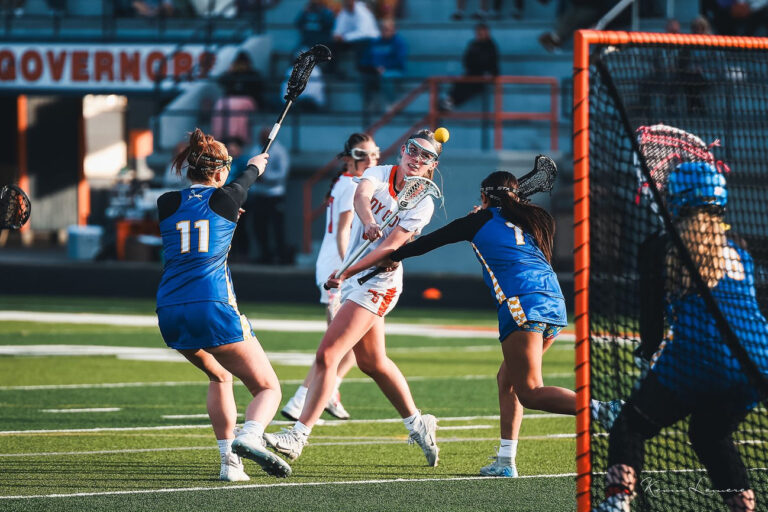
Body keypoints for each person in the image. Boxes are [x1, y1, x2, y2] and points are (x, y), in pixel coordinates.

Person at [373, 167, 621, 476]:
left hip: (521, 303)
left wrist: (392, 256)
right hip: (554, 302)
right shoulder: (533, 221)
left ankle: (603, 410)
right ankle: (505, 462)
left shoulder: (478, 221)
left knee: (529, 391)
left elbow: (429, 242)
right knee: (508, 381)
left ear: (484, 196)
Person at [263, 129, 444, 467]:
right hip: (357, 278)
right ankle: (418, 423)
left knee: (327, 354)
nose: (417, 159)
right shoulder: (379, 172)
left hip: (379, 282)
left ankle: (297, 436)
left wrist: (346, 272)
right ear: (403, 151)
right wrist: (370, 221)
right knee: (372, 363)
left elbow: (391, 248)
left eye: (426, 156)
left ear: (433, 165)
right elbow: (362, 196)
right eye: (413, 151)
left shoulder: (424, 202)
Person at [595, 162, 768, 512]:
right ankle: (745, 508)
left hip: (695, 357)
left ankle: (617, 502)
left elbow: (652, 322)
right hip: (757, 361)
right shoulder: (739, 248)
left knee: (629, 426)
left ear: (676, 200)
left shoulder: (661, 246)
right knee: (709, 435)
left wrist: (650, 351)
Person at [155, 128, 292, 481]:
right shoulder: (228, 198)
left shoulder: (166, 202)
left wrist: (233, 195)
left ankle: (229, 464)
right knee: (267, 388)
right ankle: (248, 437)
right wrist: (256, 165)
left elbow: (201, 213)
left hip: (169, 308)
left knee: (219, 374)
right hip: (212, 304)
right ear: (219, 172)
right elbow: (247, 178)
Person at [281, 133, 381, 421]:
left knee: (347, 342)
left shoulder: (347, 183)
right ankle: (302, 399)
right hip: (339, 270)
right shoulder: (353, 186)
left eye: (374, 154)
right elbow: (343, 232)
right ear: (349, 158)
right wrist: (346, 268)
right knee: (338, 344)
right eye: (364, 155)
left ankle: (328, 393)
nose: (371, 160)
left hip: (337, 267)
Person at [247, 128, 291, 264]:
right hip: (259, 194)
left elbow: (282, 173)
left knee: (277, 226)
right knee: (259, 226)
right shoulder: (255, 149)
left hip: (274, 194)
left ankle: (280, 255)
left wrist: (265, 178)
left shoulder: (279, 151)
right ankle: (264, 254)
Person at [440, 23, 499, 112]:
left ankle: (449, 103)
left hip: (482, 76)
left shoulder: (491, 46)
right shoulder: (473, 44)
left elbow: (492, 64)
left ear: (487, 32)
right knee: (458, 84)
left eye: (481, 32)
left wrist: (490, 74)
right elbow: (466, 59)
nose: (479, 34)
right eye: (478, 32)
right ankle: (448, 102)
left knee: (468, 87)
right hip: (471, 73)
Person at [359, 18, 407, 113]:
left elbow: (399, 61)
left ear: (393, 30)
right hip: (375, 69)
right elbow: (366, 58)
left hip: (394, 70)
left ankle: (393, 103)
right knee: (364, 77)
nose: (384, 31)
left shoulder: (399, 43)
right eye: (383, 29)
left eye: (387, 29)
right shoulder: (375, 42)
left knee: (386, 76)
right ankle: (370, 103)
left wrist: (384, 67)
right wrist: (373, 67)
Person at [330, 0, 380, 76]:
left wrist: (344, 37)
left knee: (360, 45)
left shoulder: (363, 12)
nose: (347, 2)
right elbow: (338, 29)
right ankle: (333, 71)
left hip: (369, 39)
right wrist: (337, 35)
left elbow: (363, 33)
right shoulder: (344, 12)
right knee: (333, 45)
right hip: (352, 40)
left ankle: (361, 70)